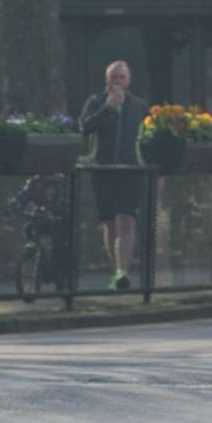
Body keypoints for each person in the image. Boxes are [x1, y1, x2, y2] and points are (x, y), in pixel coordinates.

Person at [79, 60, 149, 291]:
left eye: (122, 77)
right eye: (114, 77)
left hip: (130, 172)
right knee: (110, 224)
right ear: (107, 80)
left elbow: (149, 135)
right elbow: (85, 127)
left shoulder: (139, 105)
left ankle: (122, 272)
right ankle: (115, 270)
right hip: (103, 170)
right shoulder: (96, 102)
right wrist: (107, 107)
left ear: (129, 81)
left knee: (126, 220)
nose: (118, 81)